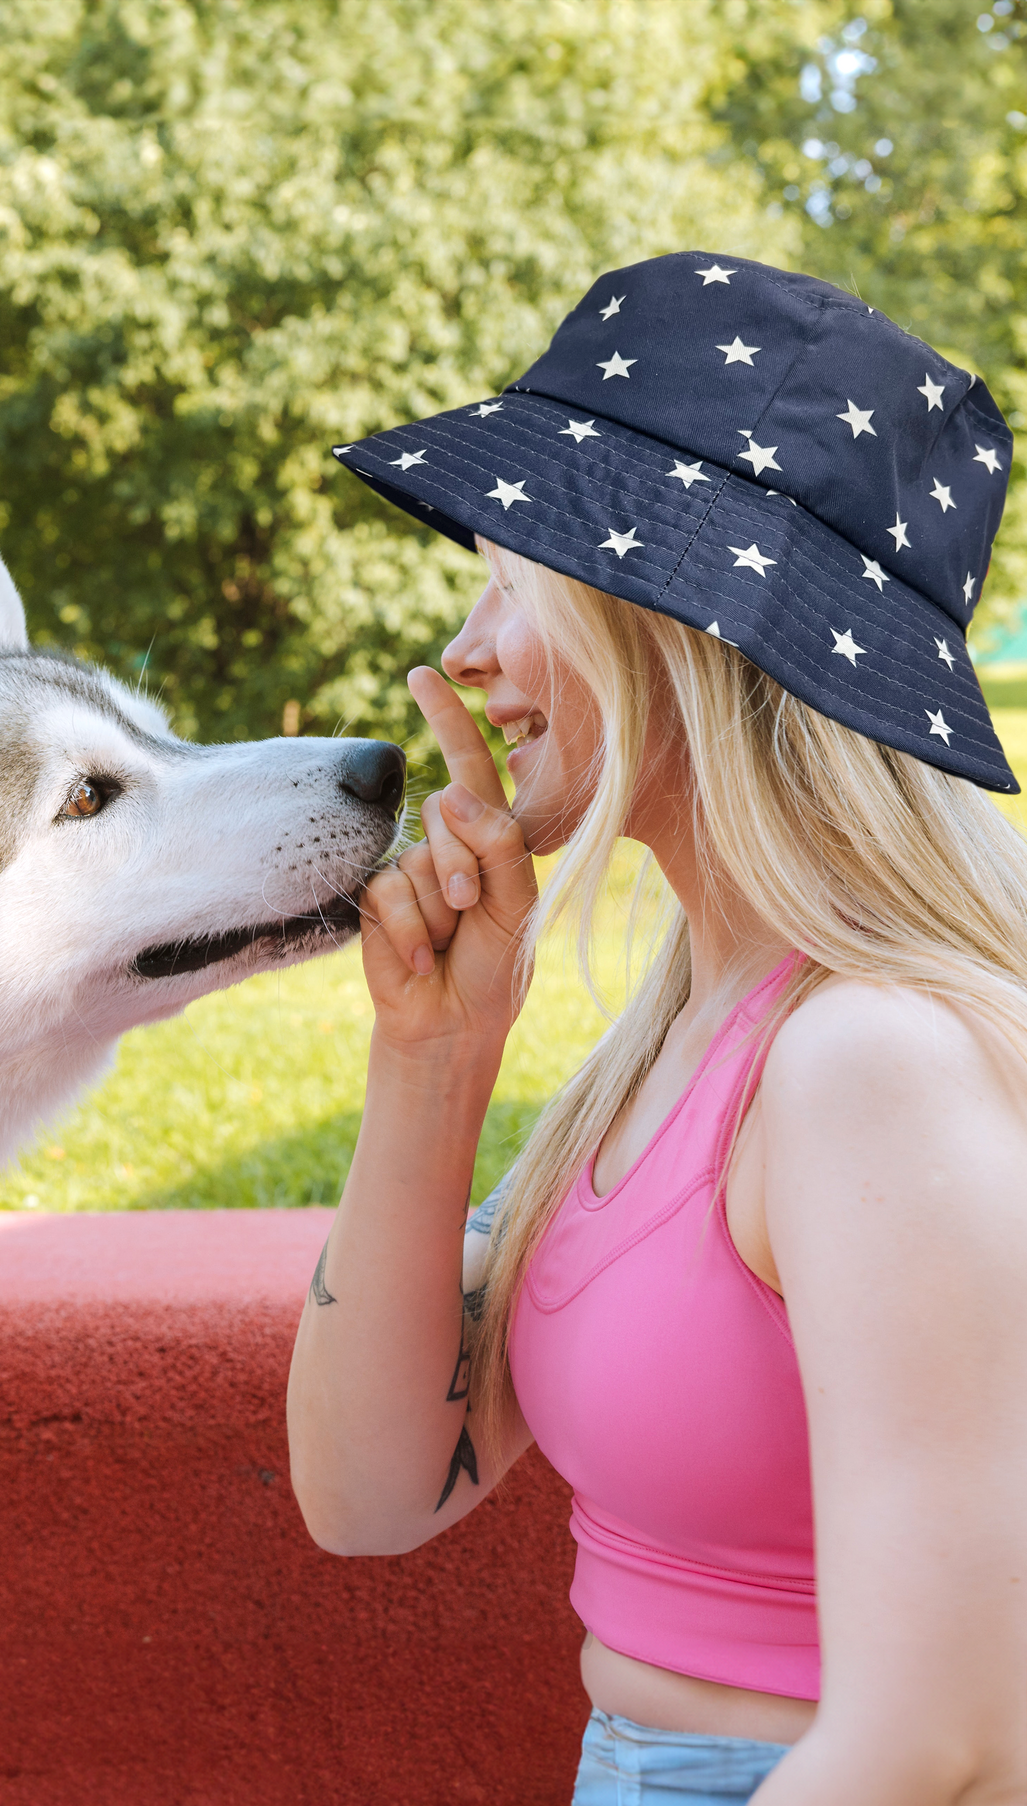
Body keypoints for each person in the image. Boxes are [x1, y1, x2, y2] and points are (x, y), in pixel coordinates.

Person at [287, 252, 1027, 1805]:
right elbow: (367, 1496)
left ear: (674, 617)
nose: (469, 654)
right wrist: (433, 1058)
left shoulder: (866, 1061)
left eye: (513, 578)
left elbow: (951, 1743)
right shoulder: (677, 1028)